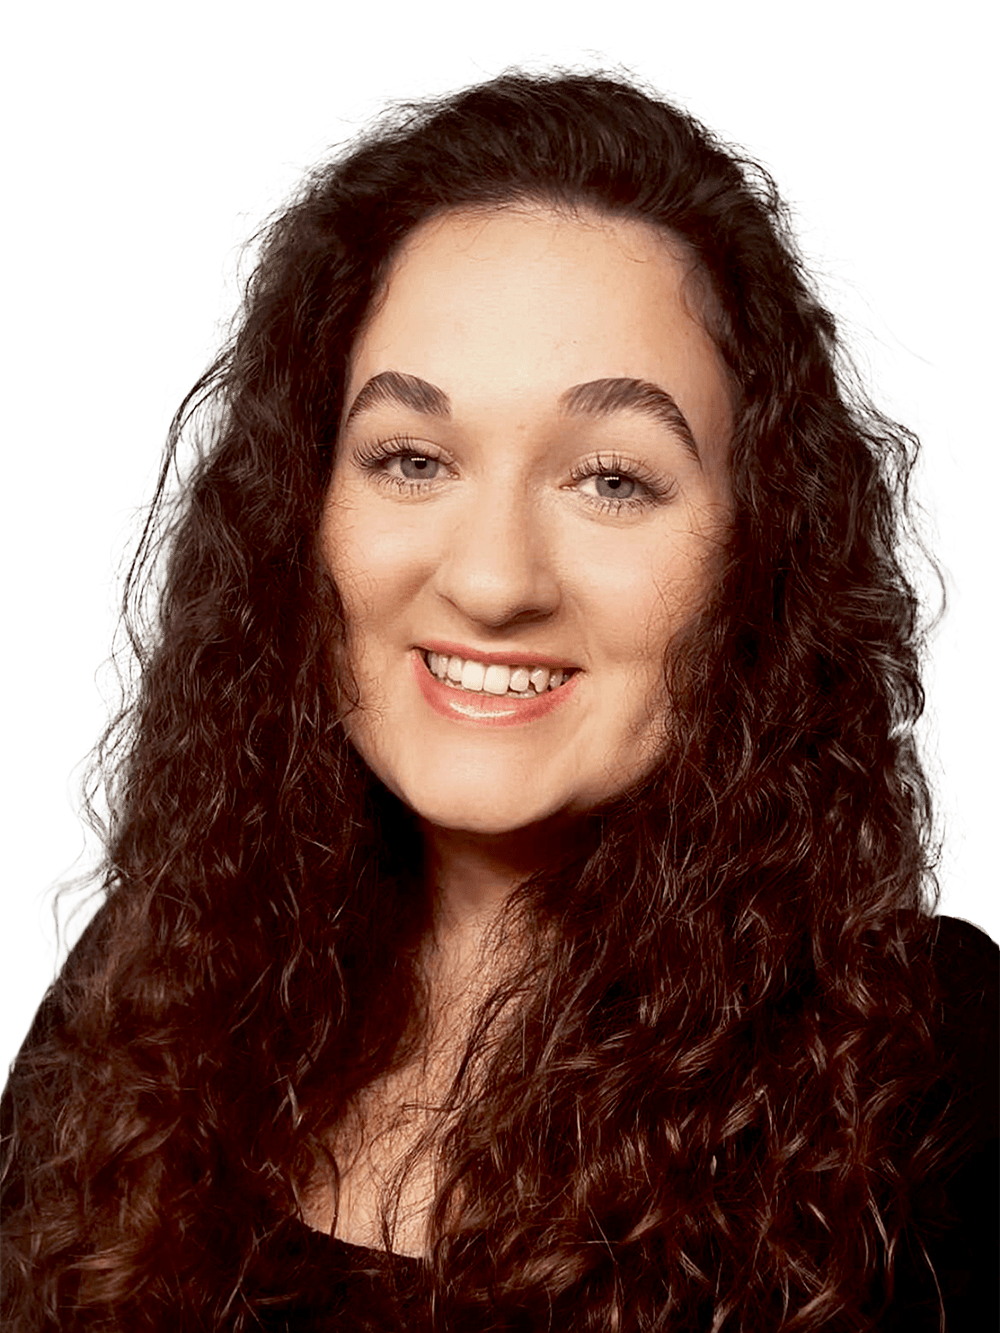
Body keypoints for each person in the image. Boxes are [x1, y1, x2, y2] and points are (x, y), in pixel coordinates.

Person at [2, 53, 997, 1333]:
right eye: (411, 458)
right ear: (304, 513)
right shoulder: (148, 998)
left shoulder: (922, 1065)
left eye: (612, 479)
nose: (489, 580)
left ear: (758, 551)